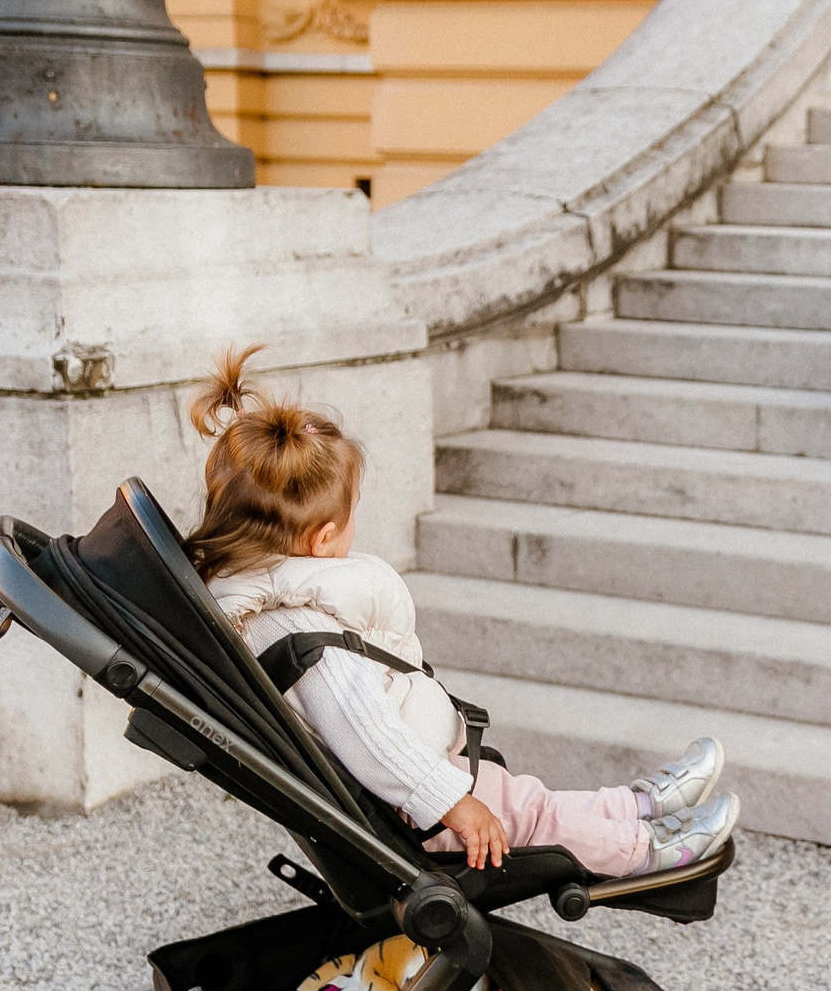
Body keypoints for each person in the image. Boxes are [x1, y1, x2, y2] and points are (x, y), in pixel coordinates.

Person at [184, 346, 738, 878]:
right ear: (322, 538)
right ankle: (647, 848)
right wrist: (451, 802)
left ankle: (637, 804)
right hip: (417, 805)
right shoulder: (296, 631)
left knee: (530, 801)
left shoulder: (266, 600)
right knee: (537, 820)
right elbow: (365, 731)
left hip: (424, 774)